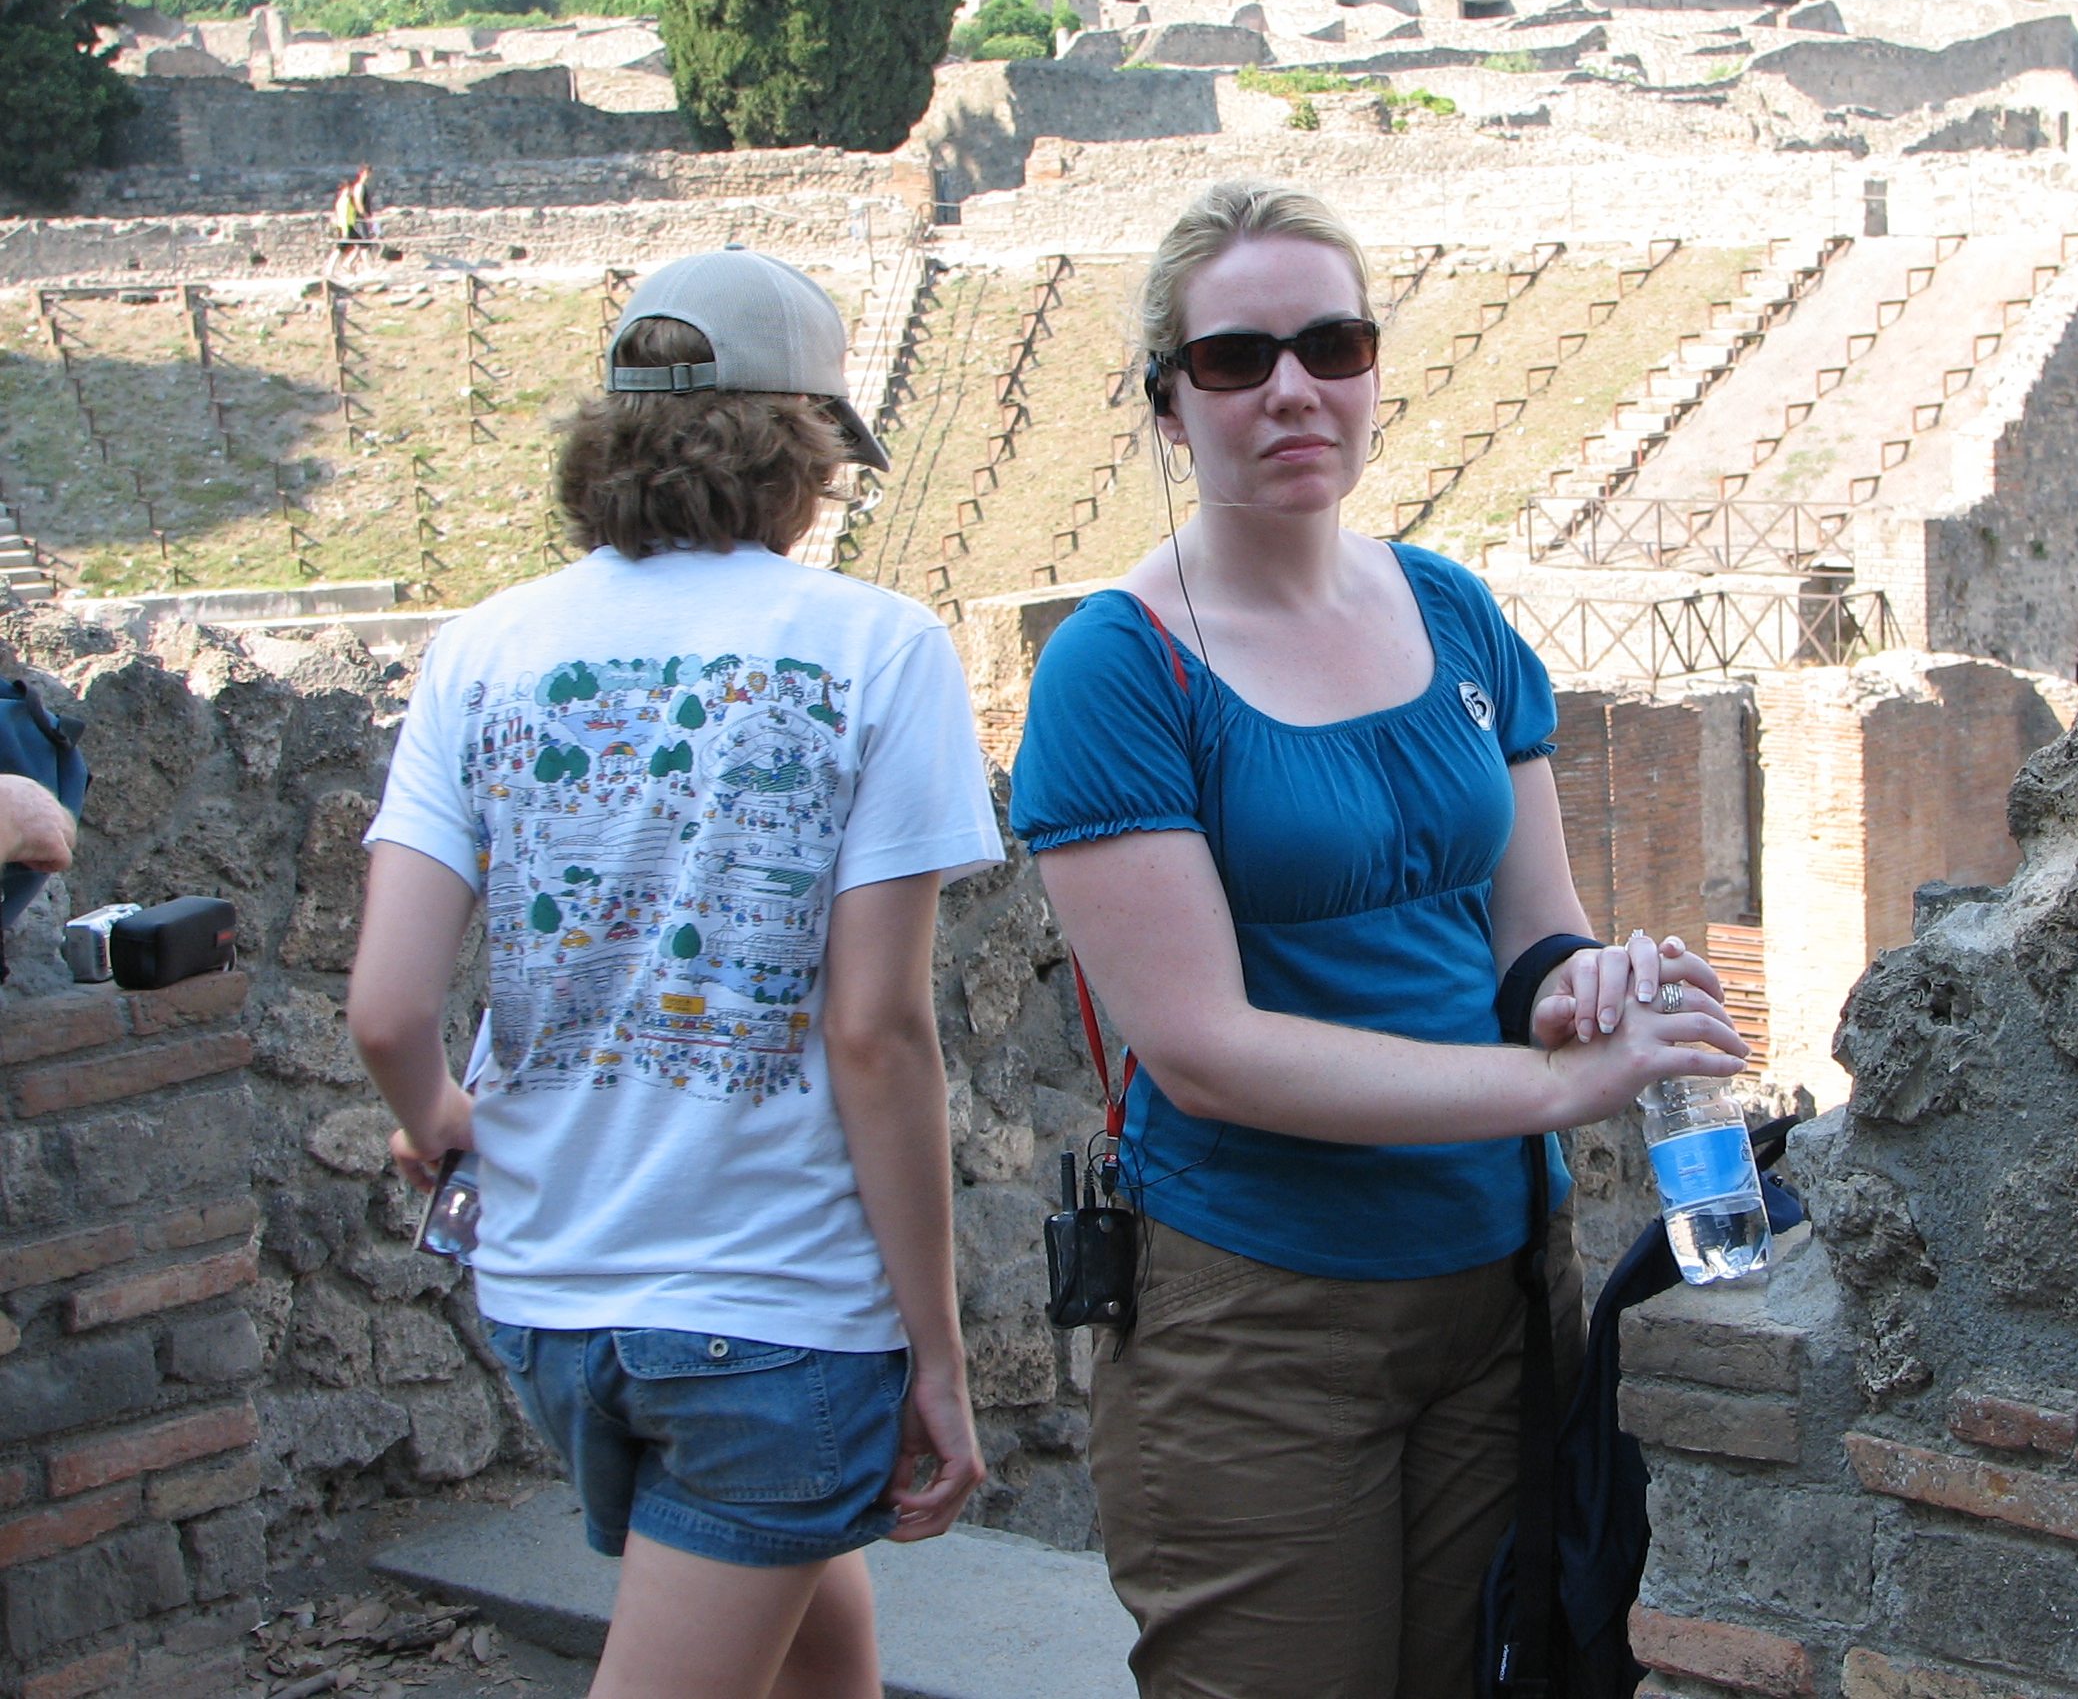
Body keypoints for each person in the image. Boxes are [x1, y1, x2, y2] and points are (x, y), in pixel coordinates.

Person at [1008, 180, 1749, 1699]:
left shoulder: (1453, 611)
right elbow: (1205, 1052)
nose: (1292, 389)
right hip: (1258, 1316)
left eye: (1331, 345)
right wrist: (1551, 1090)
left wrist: (1593, 991)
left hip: (1499, 1290)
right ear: (1168, 404)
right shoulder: (1117, 670)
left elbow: (1531, 936)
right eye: (1237, 359)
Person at [346, 248, 999, 1699]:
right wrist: (939, 1354)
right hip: (772, 1311)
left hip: (548, 1294)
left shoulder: (480, 651)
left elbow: (387, 1011)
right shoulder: (877, 648)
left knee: (811, 1626)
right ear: (804, 446)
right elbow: (877, 1035)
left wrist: (438, 1115)